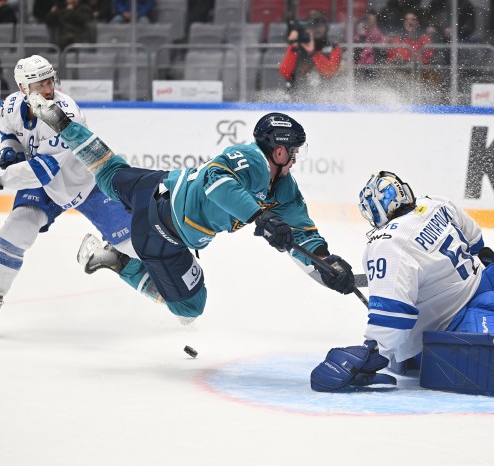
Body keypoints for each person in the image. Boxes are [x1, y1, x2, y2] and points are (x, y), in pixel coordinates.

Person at [26, 94, 357, 320]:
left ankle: (63, 124)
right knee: (189, 309)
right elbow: (216, 180)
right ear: (279, 151)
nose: (296, 158)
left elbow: (303, 233)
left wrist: (326, 263)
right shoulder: (251, 158)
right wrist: (260, 217)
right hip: (160, 232)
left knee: (110, 171)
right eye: (294, 151)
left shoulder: (285, 189)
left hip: (158, 184)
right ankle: (121, 262)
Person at [0, 55, 155, 336]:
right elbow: (10, 135)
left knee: (134, 243)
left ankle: (171, 292)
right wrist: (9, 152)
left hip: (86, 184)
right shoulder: (10, 106)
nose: (48, 90)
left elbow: (44, 170)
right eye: (40, 85)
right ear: (23, 88)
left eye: (50, 82)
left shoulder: (63, 113)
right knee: (18, 226)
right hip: (44, 186)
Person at [311, 170, 494, 392]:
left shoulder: (387, 244)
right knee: (410, 358)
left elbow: (392, 315)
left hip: (476, 313)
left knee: (486, 367)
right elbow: (476, 242)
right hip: (487, 299)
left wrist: (373, 352)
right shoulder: (436, 203)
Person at [279, 11, 342, 96]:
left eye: (320, 25)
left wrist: (313, 53)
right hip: (297, 96)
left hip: (324, 97)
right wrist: (292, 47)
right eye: (313, 26)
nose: (317, 29)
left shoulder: (333, 47)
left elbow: (329, 72)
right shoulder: (297, 46)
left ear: (326, 27)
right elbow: (285, 73)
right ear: (306, 28)